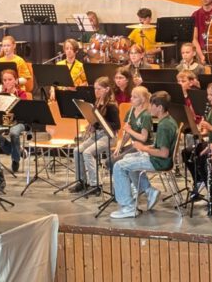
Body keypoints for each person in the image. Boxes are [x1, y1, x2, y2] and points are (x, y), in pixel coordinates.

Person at [110, 91, 178, 219]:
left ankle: (128, 207)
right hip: (158, 159)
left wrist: (143, 148)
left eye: (152, 105)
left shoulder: (164, 126)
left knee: (119, 166)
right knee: (127, 158)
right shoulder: (168, 120)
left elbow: (164, 153)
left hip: (159, 162)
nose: (149, 107)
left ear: (160, 108)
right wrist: (146, 148)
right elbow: (160, 147)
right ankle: (148, 190)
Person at [73, 77, 121, 195]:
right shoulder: (97, 104)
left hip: (109, 136)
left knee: (87, 153)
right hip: (98, 134)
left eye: (99, 89)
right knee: (77, 150)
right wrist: (92, 124)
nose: (96, 91)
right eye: (95, 89)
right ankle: (81, 181)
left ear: (107, 89)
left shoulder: (111, 106)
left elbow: (117, 125)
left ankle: (96, 184)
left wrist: (100, 123)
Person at [0, 68, 30, 174]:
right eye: (5, 80)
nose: (7, 82)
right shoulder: (1, 95)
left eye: (10, 79)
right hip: (5, 121)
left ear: (16, 81)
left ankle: (15, 159)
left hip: (19, 122)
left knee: (14, 133)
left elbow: (24, 112)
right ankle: (17, 151)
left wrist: (13, 97)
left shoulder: (22, 94)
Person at [114, 85, 152, 161]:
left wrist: (129, 130)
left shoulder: (146, 115)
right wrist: (120, 146)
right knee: (110, 160)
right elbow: (127, 134)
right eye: (131, 96)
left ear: (143, 100)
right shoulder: (131, 111)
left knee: (115, 162)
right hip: (134, 144)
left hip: (144, 147)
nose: (131, 99)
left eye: (135, 97)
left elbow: (143, 138)